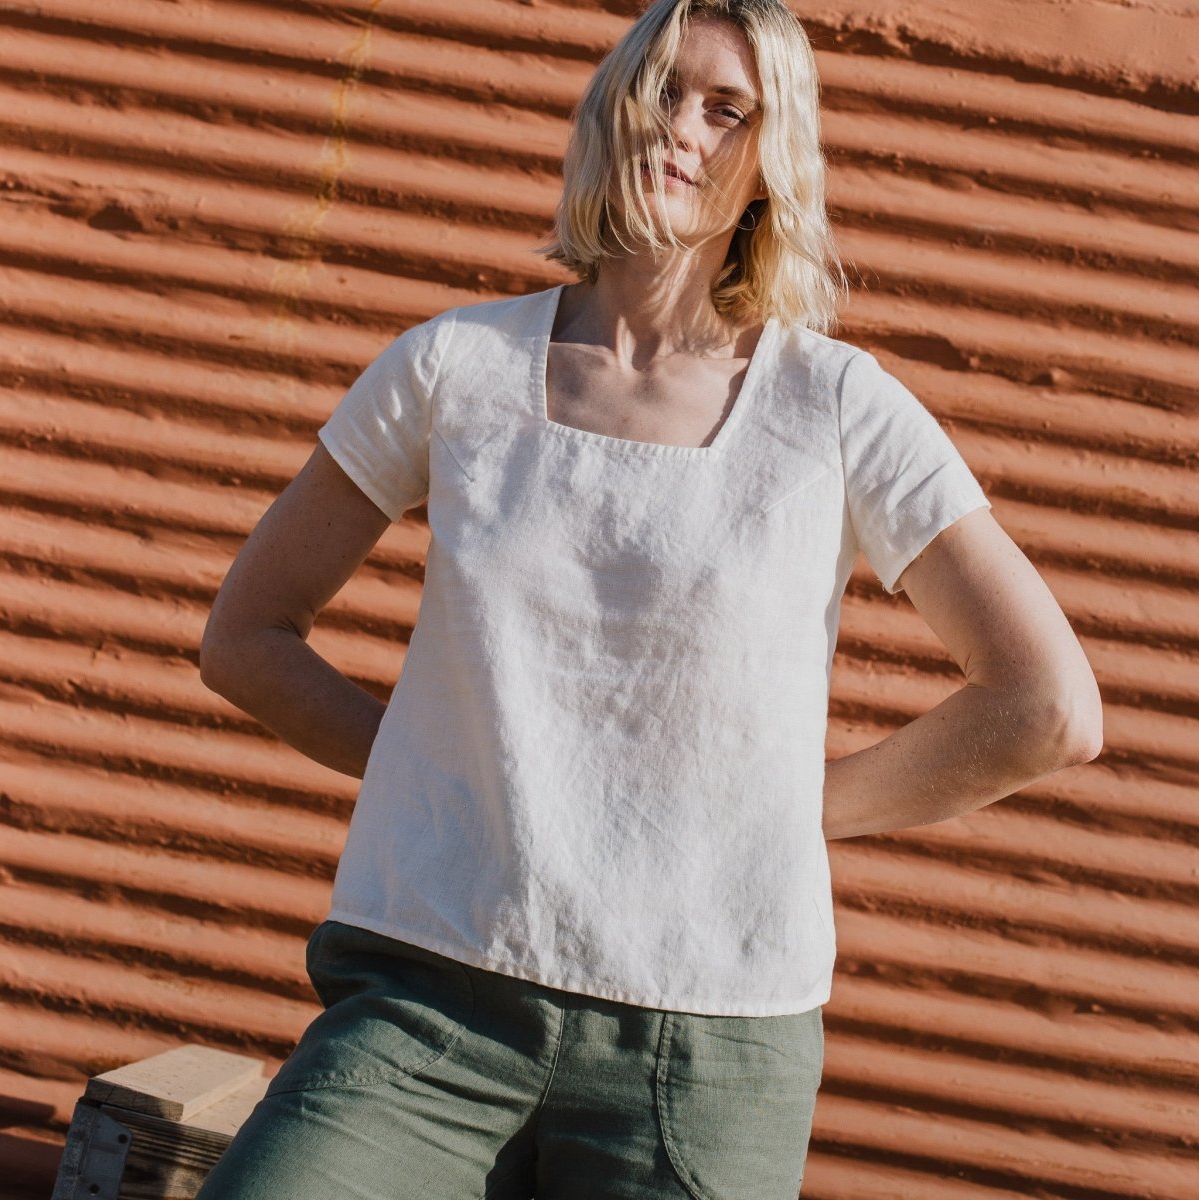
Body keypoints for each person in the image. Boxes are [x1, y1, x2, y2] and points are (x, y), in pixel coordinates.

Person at [194, 0, 1103, 1196]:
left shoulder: (837, 406)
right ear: (609, 107)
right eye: (662, 89)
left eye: (727, 109)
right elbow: (245, 638)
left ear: (772, 161)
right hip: (431, 1003)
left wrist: (784, 812)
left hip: (706, 1046)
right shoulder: (453, 367)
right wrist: (454, 774)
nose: (681, 127)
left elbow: (1047, 707)